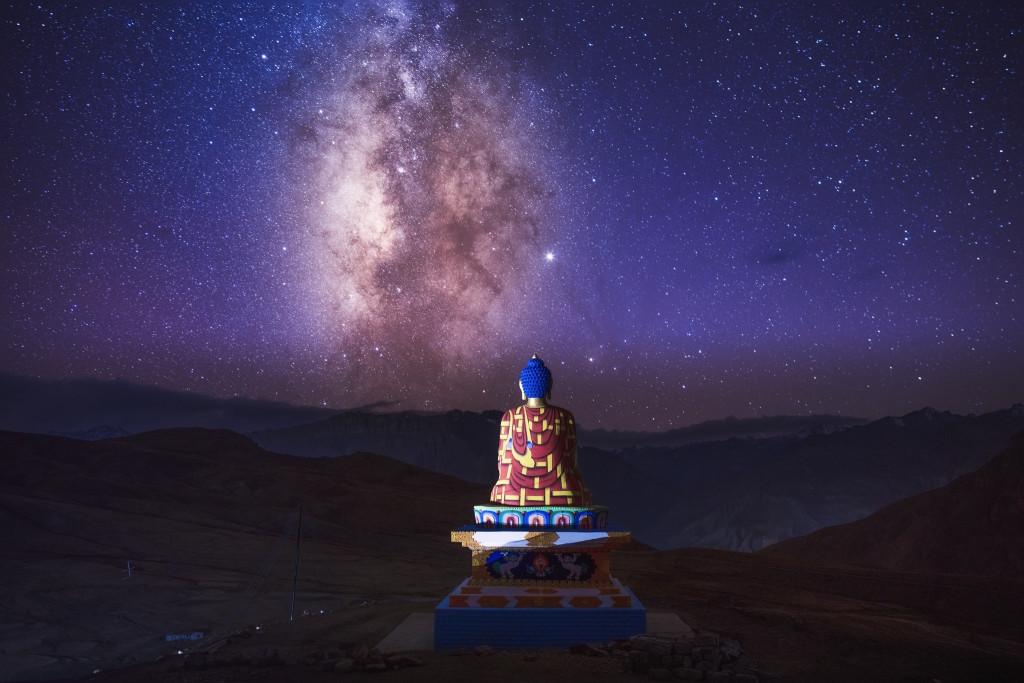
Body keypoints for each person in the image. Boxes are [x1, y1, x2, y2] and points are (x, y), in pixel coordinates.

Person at [489, 356, 593, 507]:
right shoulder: (565, 417)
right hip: (562, 495)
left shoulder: (509, 417)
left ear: (521, 387)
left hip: (512, 496)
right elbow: (573, 465)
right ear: (550, 386)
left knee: (499, 494)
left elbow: (502, 466)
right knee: (581, 494)